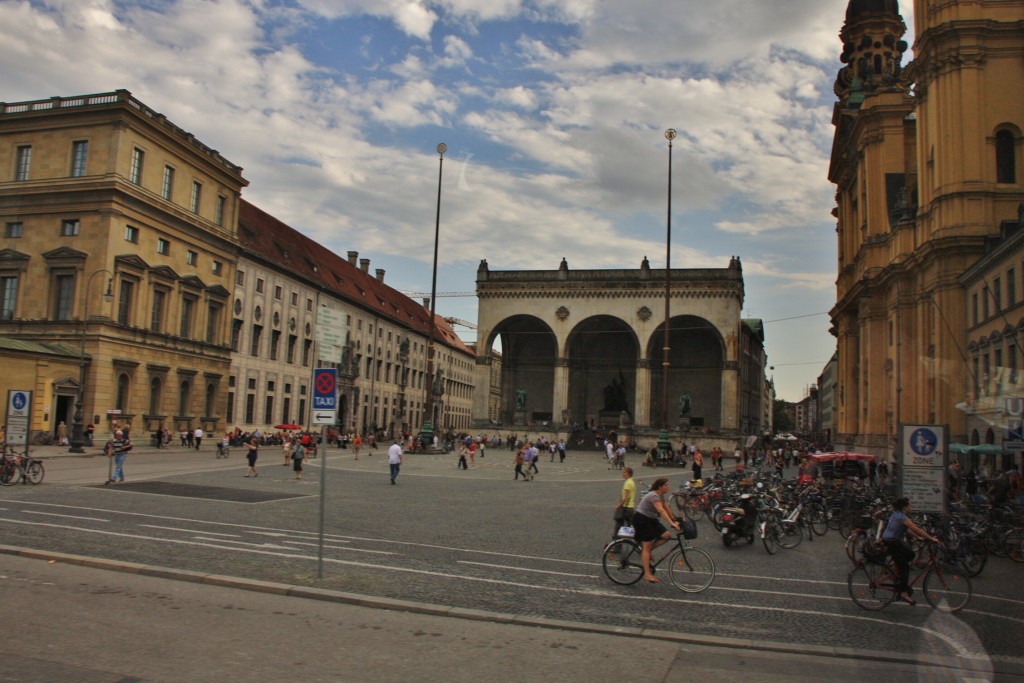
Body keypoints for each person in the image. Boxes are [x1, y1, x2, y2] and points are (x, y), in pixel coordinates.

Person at [881, 497, 940, 605]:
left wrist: (918, 537)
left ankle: (896, 569)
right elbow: (916, 528)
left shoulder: (897, 514)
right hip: (893, 542)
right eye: (910, 505)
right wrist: (931, 538)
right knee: (905, 567)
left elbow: (907, 530)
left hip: (890, 541)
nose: (911, 507)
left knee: (911, 554)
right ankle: (904, 593)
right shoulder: (902, 517)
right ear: (905, 507)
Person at [631, 477, 681, 583]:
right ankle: (647, 575)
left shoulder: (661, 496)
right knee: (647, 546)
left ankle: (647, 552)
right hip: (642, 520)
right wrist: (672, 523)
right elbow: (661, 510)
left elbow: (667, 508)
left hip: (652, 519)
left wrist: (675, 519)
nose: (668, 487)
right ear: (660, 487)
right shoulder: (654, 496)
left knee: (666, 535)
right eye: (666, 485)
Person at [612, 466, 636, 539]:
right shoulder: (631, 481)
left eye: (624, 472)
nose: (623, 474)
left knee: (618, 527)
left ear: (628, 473)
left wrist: (619, 506)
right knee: (632, 526)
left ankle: (616, 545)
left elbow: (625, 497)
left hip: (626, 508)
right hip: (630, 508)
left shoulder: (627, 483)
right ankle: (639, 543)